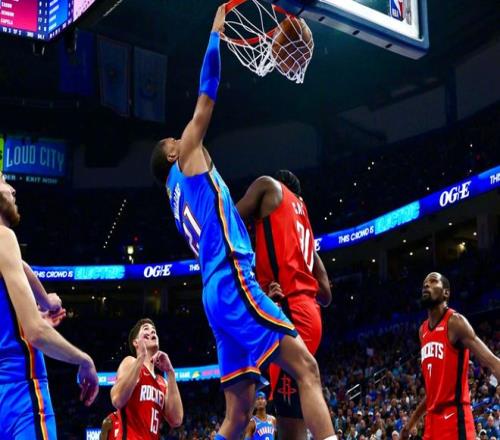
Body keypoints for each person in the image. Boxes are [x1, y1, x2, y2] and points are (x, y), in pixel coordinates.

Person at [149, 5, 335, 440]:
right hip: (234, 280)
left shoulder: (176, 196)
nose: (182, 135)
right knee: (306, 368)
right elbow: (207, 95)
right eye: (175, 139)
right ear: (173, 153)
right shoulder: (187, 157)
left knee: (237, 416)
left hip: (213, 294)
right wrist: (216, 33)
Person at [0, 171, 99, 439]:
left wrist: (45, 301)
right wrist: (84, 360)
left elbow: (22, 267)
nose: (12, 189)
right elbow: (35, 333)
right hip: (20, 390)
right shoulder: (4, 237)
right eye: (3, 181)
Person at [236, 171, 332, 440]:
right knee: (293, 412)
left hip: (290, 311)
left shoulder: (268, 186)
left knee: (290, 426)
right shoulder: (305, 228)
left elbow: (228, 221)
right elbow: (326, 294)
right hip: (309, 312)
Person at [401, 272, 500, 440]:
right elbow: (434, 393)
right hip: (432, 423)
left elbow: (492, 362)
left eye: (433, 281)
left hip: (455, 419)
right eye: (425, 283)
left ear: (446, 293)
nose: (426, 285)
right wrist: (411, 423)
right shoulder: (422, 331)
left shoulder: (455, 322)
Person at [110, 318, 183, 439]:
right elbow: (117, 399)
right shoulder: (130, 362)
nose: (152, 331)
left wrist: (170, 372)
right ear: (136, 342)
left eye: (154, 330)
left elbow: (176, 420)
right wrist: (141, 357)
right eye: (146, 329)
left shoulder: (163, 382)